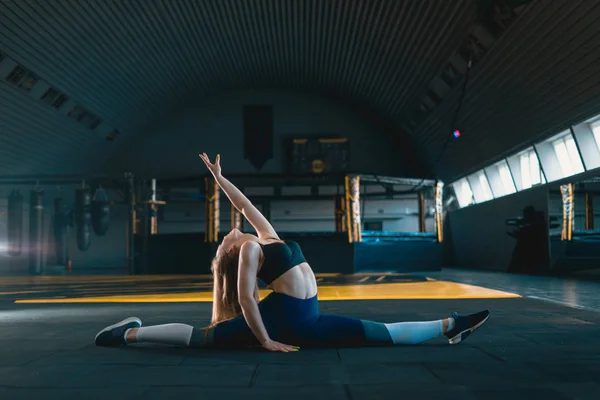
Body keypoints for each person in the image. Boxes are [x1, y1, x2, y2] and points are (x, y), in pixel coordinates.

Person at [94, 153, 490, 351]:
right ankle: (125, 334)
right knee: (202, 340)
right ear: (230, 252)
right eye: (222, 242)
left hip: (308, 318)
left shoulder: (263, 235)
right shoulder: (248, 250)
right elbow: (248, 299)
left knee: (380, 333)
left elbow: (244, 205)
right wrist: (265, 341)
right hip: (285, 320)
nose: (226, 233)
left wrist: (219, 178)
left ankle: (449, 326)